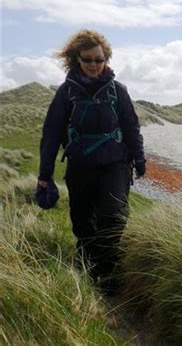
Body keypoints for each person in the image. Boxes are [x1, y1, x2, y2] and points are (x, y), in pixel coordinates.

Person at [37, 29, 146, 294]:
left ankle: (107, 274)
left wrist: (139, 158)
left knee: (113, 217)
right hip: (80, 165)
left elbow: (132, 127)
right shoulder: (67, 93)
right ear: (77, 60)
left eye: (99, 60)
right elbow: (51, 134)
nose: (94, 65)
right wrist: (45, 174)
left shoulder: (117, 91)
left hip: (115, 164)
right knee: (83, 222)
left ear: (106, 59)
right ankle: (87, 267)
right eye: (88, 60)